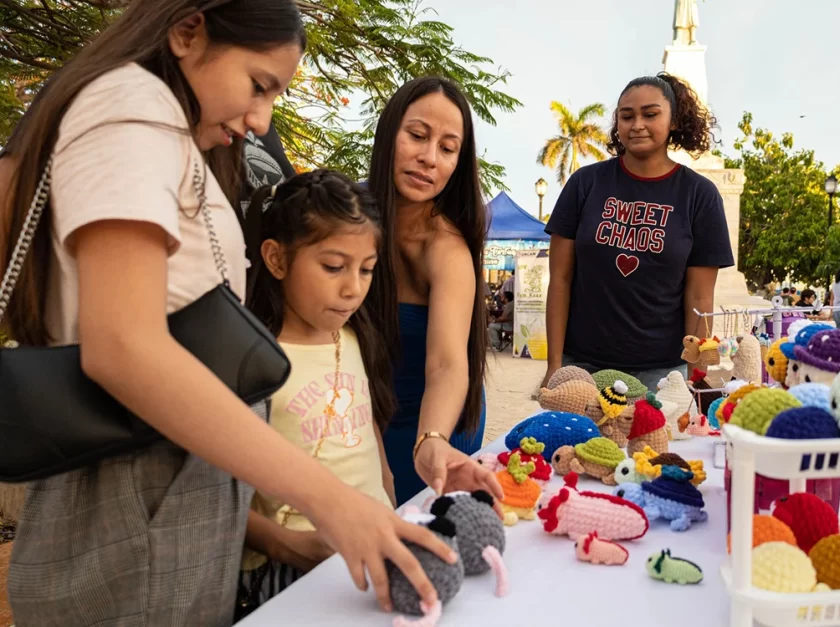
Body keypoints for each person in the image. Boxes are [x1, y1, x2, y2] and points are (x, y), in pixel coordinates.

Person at [0, 3, 453, 623]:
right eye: (259, 85)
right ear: (188, 33)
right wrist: (331, 500)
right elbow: (125, 347)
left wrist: (295, 527)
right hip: (138, 494)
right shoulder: (132, 110)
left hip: (177, 489)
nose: (260, 117)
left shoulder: (171, 130)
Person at [237, 170, 398, 610]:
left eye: (366, 270)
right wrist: (287, 545)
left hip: (374, 550)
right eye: (333, 267)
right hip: (293, 571)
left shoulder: (353, 337)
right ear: (276, 259)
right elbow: (216, 498)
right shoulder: (248, 360)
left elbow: (367, 429)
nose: (353, 289)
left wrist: (387, 492)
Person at [542, 72, 734, 391]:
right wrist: (554, 365)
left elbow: (700, 297)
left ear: (673, 120)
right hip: (582, 366)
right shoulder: (584, 184)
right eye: (626, 116)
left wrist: (694, 375)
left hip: (662, 372)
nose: (637, 124)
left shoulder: (699, 195)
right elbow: (560, 279)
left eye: (650, 114)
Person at [367, 77, 503, 505]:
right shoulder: (348, 222)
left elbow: (447, 364)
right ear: (390, 132)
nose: (428, 158)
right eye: (417, 136)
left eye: (447, 148)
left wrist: (431, 439)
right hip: (360, 416)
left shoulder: (446, 248)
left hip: (436, 424)